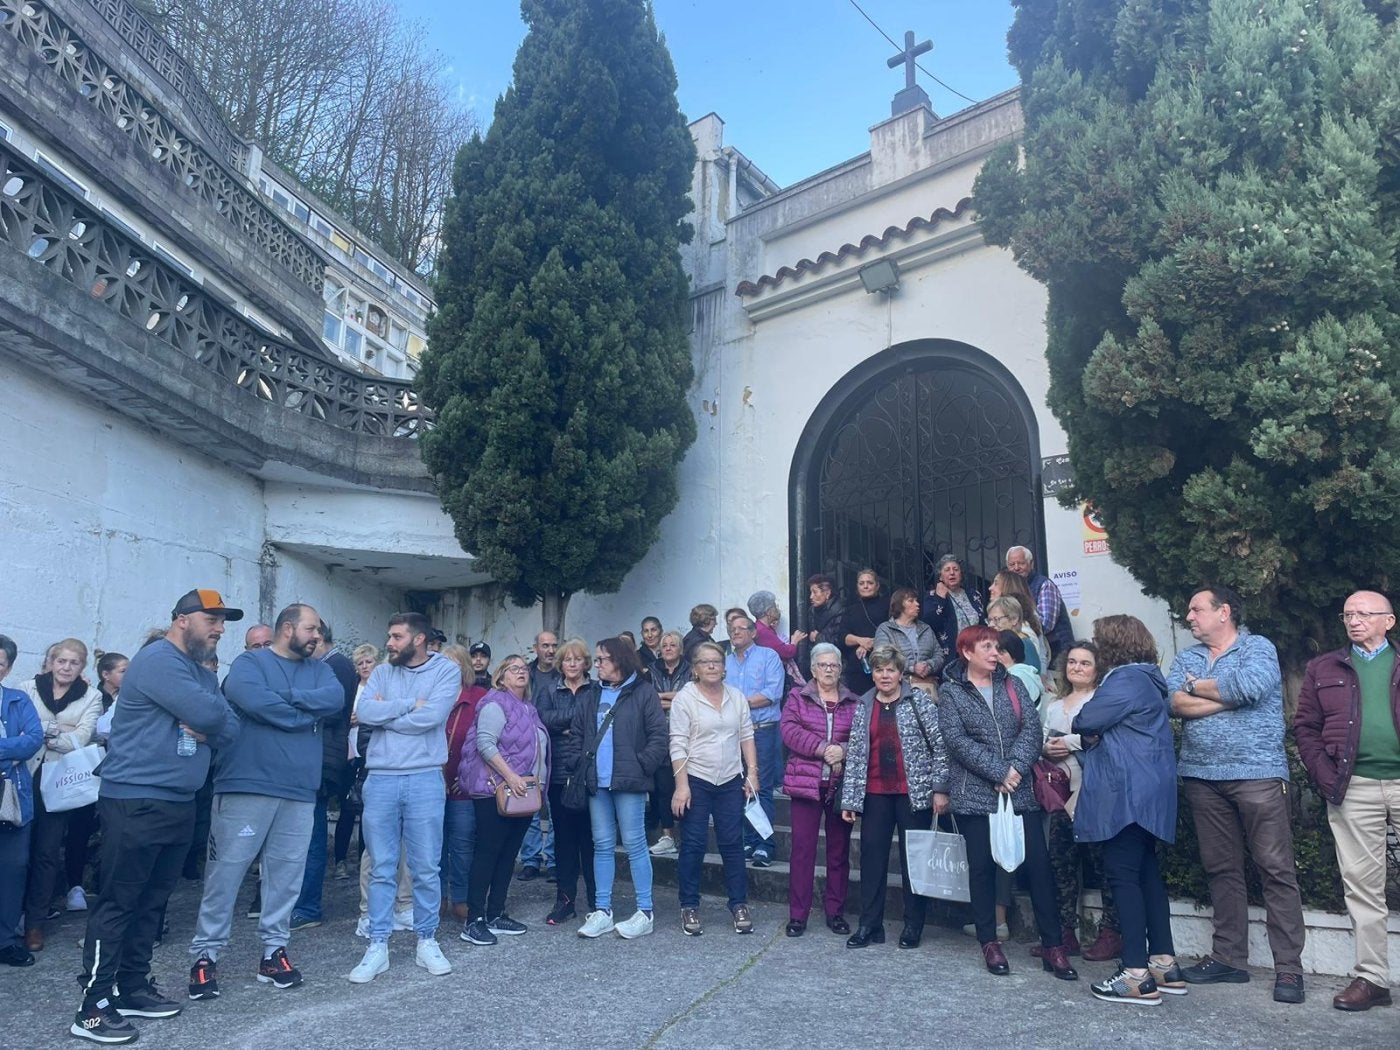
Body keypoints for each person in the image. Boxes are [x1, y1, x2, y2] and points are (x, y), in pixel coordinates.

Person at [72, 589, 242, 1045]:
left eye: (224, 621)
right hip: (136, 800)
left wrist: (212, 722)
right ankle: (92, 1006)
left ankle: (130, 987)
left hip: (177, 800)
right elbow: (212, 712)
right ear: (183, 619)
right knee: (119, 902)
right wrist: (212, 719)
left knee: (153, 903)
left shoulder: (195, 670)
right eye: (213, 619)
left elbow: (231, 727)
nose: (221, 629)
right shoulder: (158, 660)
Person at [187, 604, 343, 999]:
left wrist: (287, 700)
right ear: (287, 628)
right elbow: (251, 700)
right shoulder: (249, 664)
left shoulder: (322, 669)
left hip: (299, 789)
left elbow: (334, 700)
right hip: (246, 783)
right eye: (311, 629)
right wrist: (301, 716)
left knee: (286, 876)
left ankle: (274, 953)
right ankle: (205, 957)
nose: (316, 637)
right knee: (225, 874)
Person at [1166, 586, 1306, 1003]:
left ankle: (1289, 969)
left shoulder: (1257, 646)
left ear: (1224, 612)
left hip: (1258, 775)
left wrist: (1201, 690)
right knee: (1220, 869)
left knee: (1276, 870)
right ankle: (1228, 958)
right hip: (1201, 776)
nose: (1188, 617)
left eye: (1195, 609)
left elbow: (1252, 687)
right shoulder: (1187, 657)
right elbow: (1173, 702)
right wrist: (1224, 697)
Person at [939, 625, 1076, 981]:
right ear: (967, 652)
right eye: (987, 646)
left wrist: (1014, 770)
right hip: (975, 794)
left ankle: (1053, 945)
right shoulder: (952, 692)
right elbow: (956, 740)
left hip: (1020, 792)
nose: (995, 653)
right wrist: (999, 771)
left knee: (1038, 867)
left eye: (997, 647)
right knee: (982, 869)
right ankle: (989, 941)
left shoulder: (1013, 684)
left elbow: (1031, 730)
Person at [1294, 590, 1400, 1012]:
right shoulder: (1324, 667)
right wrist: (1324, 774)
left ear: (1388, 621)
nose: (1354, 620)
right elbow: (1306, 726)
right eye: (1347, 614)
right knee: (1363, 888)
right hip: (1352, 787)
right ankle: (1372, 979)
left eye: (1364, 614)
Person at [1073, 615, 1185, 1006]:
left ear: (1113, 646)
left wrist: (1090, 730)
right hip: (1150, 789)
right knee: (1147, 874)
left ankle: (1136, 975)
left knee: (1122, 876)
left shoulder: (1124, 679)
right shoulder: (1150, 678)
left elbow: (1085, 719)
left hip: (1126, 792)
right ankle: (1163, 963)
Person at [347, 613, 459, 984]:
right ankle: (377, 945)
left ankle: (426, 939)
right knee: (382, 865)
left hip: (426, 777)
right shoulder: (380, 671)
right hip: (380, 779)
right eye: (389, 636)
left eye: (396, 637)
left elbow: (433, 717)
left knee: (426, 866)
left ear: (419, 639)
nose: (389, 643)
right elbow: (365, 711)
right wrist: (410, 704)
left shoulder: (445, 670)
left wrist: (388, 711)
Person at [838, 645, 948, 948]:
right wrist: (850, 800)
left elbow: (940, 746)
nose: (884, 675)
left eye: (890, 669)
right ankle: (869, 925)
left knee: (914, 861)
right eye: (878, 669)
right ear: (872, 673)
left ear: (901, 673)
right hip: (875, 793)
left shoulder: (919, 701)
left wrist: (940, 788)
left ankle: (913, 925)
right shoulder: (864, 704)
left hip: (913, 793)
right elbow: (857, 754)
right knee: (872, 860)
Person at [572, 638, 668, 939]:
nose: (596, 664)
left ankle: (645, 911)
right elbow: (578, 732)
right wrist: (581, 764)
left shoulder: (643, 692)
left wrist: (641, 766)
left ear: (619, 661)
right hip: (596, 783)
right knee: (601, 845)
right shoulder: (592, 694)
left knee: (635, 844)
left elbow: (659, 735)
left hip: (630, 781)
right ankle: (602, 910)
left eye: (602, 659)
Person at [457, 657, 548, 947]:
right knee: (487, 852)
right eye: (513, 669)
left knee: (509, 854)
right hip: (494, 789)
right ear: (501, 677)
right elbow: (486, 743)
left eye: (524, 669)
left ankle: (496, 913)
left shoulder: (529, 709)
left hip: (522, 793)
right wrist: (511, 777)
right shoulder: (495, 703)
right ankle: (474, 920)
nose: (521, 672)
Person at [1039, 642, 1122, 962]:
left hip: (1094, 794)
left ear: (1097, 669)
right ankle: (1065, 933)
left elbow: (1102, 735)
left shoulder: (1101, 700)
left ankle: (1111, 933)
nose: (1076, 667)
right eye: (1072, 662)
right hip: (1061, 794)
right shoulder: (1055, 704)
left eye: (1085, 663)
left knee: (1103, 865)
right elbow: (1044, 738)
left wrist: (1067, 741)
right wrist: (1048, 748)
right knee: (1061, 864)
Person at [669, 641, 757, 936]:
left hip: (731, 778)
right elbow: (678, 743)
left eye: (716, 662)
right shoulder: (685, 699)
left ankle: (739, 903)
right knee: (693, 845)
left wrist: (752, 774)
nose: (711, 666)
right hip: (696, 778)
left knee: (732, 844)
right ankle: (689, 905)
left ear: (724, 667)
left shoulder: (737, 697)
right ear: (694, 669)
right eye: (704, 662)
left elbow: (746, 735)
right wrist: (681, 786)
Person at [21, 637, 101, 953]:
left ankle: (34, 923)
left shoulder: (91, 696)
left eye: (74, 663)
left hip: (57, 784)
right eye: (61, 661)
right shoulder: (28, 688)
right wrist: (59, 730)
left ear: (82, 668)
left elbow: (81, 738)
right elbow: (18, 730)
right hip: (22, 778)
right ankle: (11, 915)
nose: (66, 667)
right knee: (15, 855)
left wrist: (42, 732)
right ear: (51, 661)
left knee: (46, 852)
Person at [782, 643, 857, 937]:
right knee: (803, 851)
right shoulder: (797, 697)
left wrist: (844, 750)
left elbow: (863, 737)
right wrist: (822, 748)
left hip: (839, 786)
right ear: (813, 669)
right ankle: (798, 915)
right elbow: (789, 731)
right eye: (823, 665)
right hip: (806, 784)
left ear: (840, 669)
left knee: (839, 852)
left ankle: (835, 912)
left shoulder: (852, 701)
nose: (828, 670)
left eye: (834, 665)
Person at [289, 620, 358, 931]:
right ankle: (300, 904)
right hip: (315, 759)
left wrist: (291, 700)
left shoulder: (337, 667)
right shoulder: (329, 665)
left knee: (312, 836)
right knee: (303, 835)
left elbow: (331, 710)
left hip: (321, 761)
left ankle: (308, 906)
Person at [535, 639, 597, 925]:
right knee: (564, 840)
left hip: (589, 773)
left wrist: (571, 726)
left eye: (578, 659)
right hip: (559, 773)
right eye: (567, 660)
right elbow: (542, 719)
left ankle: (598, 900)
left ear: (586, 663)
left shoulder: (596, 690)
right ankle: (565, 900)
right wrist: (575, 721)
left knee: (592, 839)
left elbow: (596, 724)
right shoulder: (549, 690)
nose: (572, 664)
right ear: (560, 664)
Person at [65, 651, 127, 914]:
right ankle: (74, 884)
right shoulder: (93, 697)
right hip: (86, 770)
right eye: (123, 670)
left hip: (116, 773)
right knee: (78, 829)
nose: (128, 675)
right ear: (106, 674)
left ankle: (103, 880)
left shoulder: (127, 697)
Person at [724, 616, 785, 867]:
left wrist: (738, 704)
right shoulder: (725, 662)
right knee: (740, 789)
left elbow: (772, 694)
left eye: (741, 628)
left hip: (762, 730)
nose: (736, 632)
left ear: (753, 632)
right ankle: (750, 839)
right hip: (732, 733)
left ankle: (765, 845)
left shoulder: (768, 657)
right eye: (732, 629)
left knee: (761, 787)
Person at [0, 634, 43, 967]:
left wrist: (14, 749)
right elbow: (20, 744)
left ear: (8, 667)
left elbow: (33, 741)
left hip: (12, 797)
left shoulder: (17, 700)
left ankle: (5, 941)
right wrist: (10, 750)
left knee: (13, 869)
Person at [439, 645, 486, 925]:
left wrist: (463, 777)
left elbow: (484, 742)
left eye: (453, 663)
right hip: (433, 784)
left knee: (462, 845)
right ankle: (437, 898)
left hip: (463, 787)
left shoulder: (479, 697)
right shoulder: (432, 698)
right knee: (434, 846)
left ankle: (460, 898)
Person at [336, 643, 381, 879]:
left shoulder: (382, 688)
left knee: (368, 811)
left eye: (368, 662)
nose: (364, 666)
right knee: (346, 808)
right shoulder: (352, 688)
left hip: (371, 755)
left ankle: (366, 860)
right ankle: (340, 860)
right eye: (360, 663)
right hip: (349, 753)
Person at [520, 630, 560, 880]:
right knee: (529, 804)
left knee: (555, 805)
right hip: (527, 745)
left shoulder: (564, 673)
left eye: (554, 645)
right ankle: (531, 859)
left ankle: (554, 859)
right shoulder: (525, 673)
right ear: (535, 648)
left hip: (556, 744)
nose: (550, 650)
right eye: (545, 645)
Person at [645, 631, 689, 857]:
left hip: (687, 734)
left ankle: (687, 834)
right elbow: (649, 700)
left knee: (688, 785)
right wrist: (677, 697)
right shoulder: (650, 671)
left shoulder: (691, 670)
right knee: (663, 789)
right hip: (659, 734)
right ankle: (668, 836)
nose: (669, 648)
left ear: (681, 649)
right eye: (665, 645)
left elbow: (691, 698)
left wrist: (668, 697)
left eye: (673, 645)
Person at [1005, 546, 1074, 662]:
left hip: (1056, 651)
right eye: (1012, 564)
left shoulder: (1044, 585)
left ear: (1031, 564)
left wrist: (1017, 631)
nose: (1016, 568)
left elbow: (1045, 624)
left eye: (1021, 563)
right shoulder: (1010, 589)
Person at [874, 588, 943, 691]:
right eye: (911, 601)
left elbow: (939, 655)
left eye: (916, 600)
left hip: (928, 688)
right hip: (898, 688)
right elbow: (883, 658)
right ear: (899, 605)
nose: (917, 604)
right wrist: (912, 667)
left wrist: (928, 666)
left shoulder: (926, 628)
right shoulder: (886, 629)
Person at [922, 555, 986, 663]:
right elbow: (930, 624)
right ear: (941, 577)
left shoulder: (974, 594)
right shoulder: (932, 596)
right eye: (947, 570)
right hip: (952, 654)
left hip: (976, 651)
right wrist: (940, 599)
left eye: (955, 569)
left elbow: (982, 621)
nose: (952, 573)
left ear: (961, 574)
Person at [842, 568, 885, 695]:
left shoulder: (886, 605)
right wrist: (861, 641)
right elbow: (842, 637)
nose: (865, 586)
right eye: (861, 583)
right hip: (857, 667)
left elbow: (891, 631)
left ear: (877, 586)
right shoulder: (851, 609)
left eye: (870, 583)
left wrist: (871, 644)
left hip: (882, 665)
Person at [987, 596, 1046, 678]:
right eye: (989, 620)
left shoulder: (1024, 644)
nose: (991, 625)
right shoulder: (998, 643)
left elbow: (1029, 678)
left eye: (996, 619)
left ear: (1014, 619)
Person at [747, 590, 807, 664]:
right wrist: (794, 641)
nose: (777, 610)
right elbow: (786, 653)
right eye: (775, 607)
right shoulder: (762, 631)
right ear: (768, 612)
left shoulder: (761, 627)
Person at [995, 631, 1043, 714]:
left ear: (1013, 653)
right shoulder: (1026, 671)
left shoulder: (1015, 678)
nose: (996, 656)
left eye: (1002, 652)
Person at [806, 573, 846, 652]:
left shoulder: (840, 610)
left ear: (827, 593)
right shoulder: (812, 611)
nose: (811, 597)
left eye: (815, 592)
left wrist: (817, 637)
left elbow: (838, 639)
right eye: (810, 593)